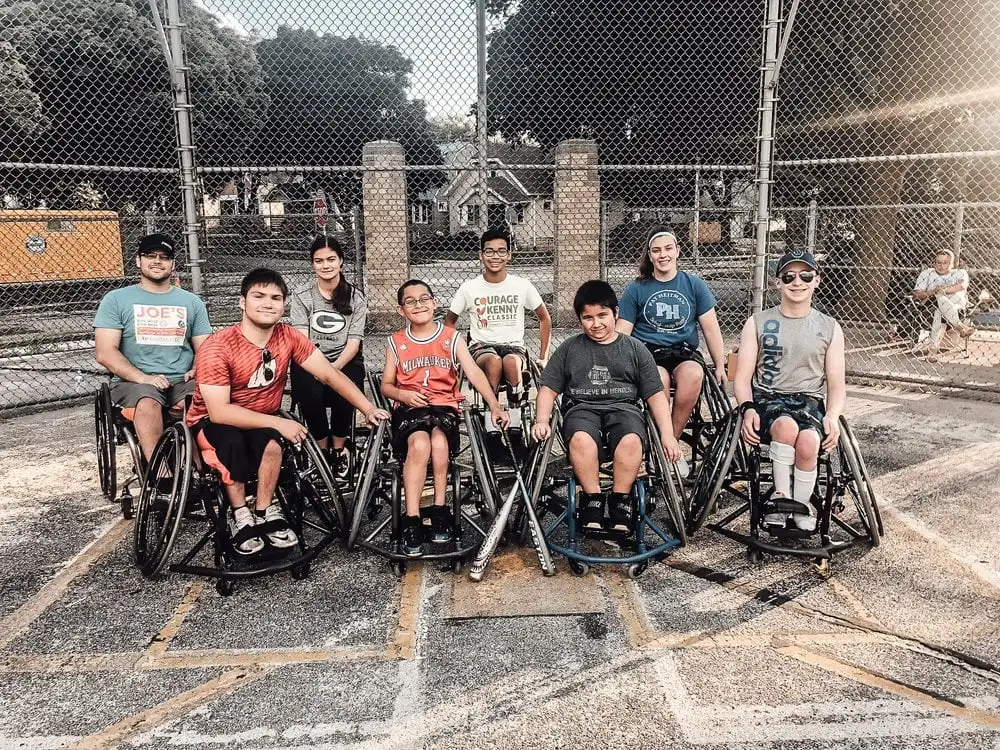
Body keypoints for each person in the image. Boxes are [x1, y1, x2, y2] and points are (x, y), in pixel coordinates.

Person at [185, 268, 388, 556]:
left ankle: (266, 511)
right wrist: (279, 423)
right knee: (233, 443)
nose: (268, 303)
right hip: (214, 422)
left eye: (276, 297)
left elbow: (329, 374)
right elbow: (219, 412)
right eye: (259, 296)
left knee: (272, 446)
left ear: (284, 305)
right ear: (242, 302)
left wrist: (367, 407)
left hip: (261, 420)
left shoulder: (287, 336)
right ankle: (241, 515)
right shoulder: (218, 346)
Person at [532, 280, 679, 534]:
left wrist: (667, 434)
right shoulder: (570, 348)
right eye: (588, 318)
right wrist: (542, 420)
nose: (596, 323)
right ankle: (593, 500)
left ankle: (621, 499)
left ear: (616, 314)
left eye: (602, 315)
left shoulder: (634, 348)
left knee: (632, 440)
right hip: (582, 409)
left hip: (624, 409)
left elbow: (655, 395)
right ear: (580, 320)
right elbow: (548, 388)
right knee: (580, 440)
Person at [382, 279, 509, 557]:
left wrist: (495, 405)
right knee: (419, 445)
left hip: (443, 407)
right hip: (410, 407)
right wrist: (403, 396)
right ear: (401, 309)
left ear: (435, 303)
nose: (419, 305)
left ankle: (440, 509)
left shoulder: (450, 337)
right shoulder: (396, 342)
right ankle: (411, 518)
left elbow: (474, 373)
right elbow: (386, 386)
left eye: (424, 298)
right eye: (410, 301)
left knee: (439, 444)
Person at [733, 249, 846, 532]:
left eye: (806, 275)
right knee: (784, 428)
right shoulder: (758, 322)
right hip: (769, 398)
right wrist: (747, 409)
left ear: (816, 281)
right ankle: (780, 498)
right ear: (778, 282)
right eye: (789, 276)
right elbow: (742, 377)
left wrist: (832, 416)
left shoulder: (829, 327)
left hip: (808, 401)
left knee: (808, 442)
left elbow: (836, 384)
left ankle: (803, 504)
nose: (798, 282)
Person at [617, 226, 727, 477]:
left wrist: (720, 365)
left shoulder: (693, 284)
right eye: (656, 250)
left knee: (694, 375)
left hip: (683, 352)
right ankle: (660, 447)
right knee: (659, 379)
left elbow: (711, 329)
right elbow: (623, 331)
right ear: (650, 255)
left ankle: (670, 445)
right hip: (648, 353)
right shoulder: (637, 288)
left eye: (668, 249)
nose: (663, 255)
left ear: (678, 251)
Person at [94, 233, 211, 460]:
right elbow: (104, 352)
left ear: (173, 264)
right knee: (148, 401)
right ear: (138, 261)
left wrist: (198, 367)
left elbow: (206, 347)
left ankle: (198, 472)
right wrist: (143, 378)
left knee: (202, 398)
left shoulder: (192, 302)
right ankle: (161, 476)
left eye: (164, 257)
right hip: (133, 383)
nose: (157, 261)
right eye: (150, 256)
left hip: (182, 380)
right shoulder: (116, 300)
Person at [444, 228, 551, 451]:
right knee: (493, 361)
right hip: (481, 346)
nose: (495, 256)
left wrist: (543, 356)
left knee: (511, 362)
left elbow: (544, 318)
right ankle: (491, 431)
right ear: (481, 255)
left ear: (509, 254)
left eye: (501, 251)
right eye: (489, 251)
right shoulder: (470, 287)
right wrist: (452, 355)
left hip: (513, 347)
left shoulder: (521, 285)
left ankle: (514, 428)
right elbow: (449, 322)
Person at [289, 236, 367, 480]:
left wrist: (333, 370)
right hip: (310, 360)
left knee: (347, 387)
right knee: (310, 393)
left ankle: (340, 449)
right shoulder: (302, 296)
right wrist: (318, 369)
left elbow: (354, 342)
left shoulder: (356, 297)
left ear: (341, 261)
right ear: (313, 264)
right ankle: (321, 451)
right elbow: (301, 339)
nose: (325, 265)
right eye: (319, 260)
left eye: (331, 259)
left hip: (343, 360)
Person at [911, 249, 975, 359]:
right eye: (938, 262)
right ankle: (961, 327)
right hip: (931, 307)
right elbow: (917, 295)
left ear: (952, 264)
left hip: (957, 307)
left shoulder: (960, 273)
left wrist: (943, 290)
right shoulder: (926, 274)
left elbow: (961, 286)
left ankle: (933, 350)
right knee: (939, 307)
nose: (941, 266)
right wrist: (933, 291)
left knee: (940, 307)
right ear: (934, 263)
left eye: (946, 263)